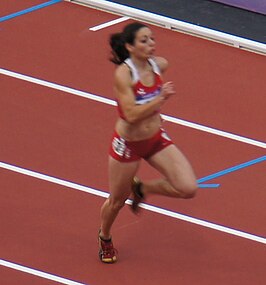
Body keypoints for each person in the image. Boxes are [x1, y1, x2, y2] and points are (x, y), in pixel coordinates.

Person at [98, 21, 198, 263]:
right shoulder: (124, 74)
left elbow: (160, 69)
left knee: (188, 188)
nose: (151, 44)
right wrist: (160, 99)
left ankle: (143, 188)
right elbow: (130, 115)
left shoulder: (158, 65)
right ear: (130, 47)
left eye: (152, 39)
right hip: (128, 144)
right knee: (117, 201)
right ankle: (105, 236)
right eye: (144, 41)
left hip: (155, 139)